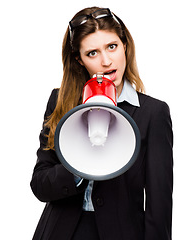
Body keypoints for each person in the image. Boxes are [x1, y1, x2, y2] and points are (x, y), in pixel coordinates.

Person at [30, 7, 173, 240]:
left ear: (125, 45)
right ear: (79, 59)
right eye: (92, 53)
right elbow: (40, 185)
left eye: (112, 47)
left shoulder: (153, 113)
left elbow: (159, 204)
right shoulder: (60, 102)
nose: (106, 61)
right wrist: (77, 167)